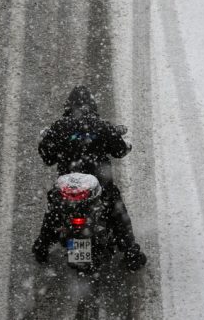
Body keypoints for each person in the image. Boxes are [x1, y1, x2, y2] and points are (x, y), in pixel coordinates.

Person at [32, 85, 147, 270]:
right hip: (98, 187)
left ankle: (42, 246)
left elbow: (47, 157)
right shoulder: (101, 126)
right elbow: (119, 150)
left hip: (67, 189)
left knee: (54, 209)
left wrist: (50, 143)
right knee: (117, 210)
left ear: (68, 106)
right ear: (92, 105)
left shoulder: (59, 127)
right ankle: (131, 252)